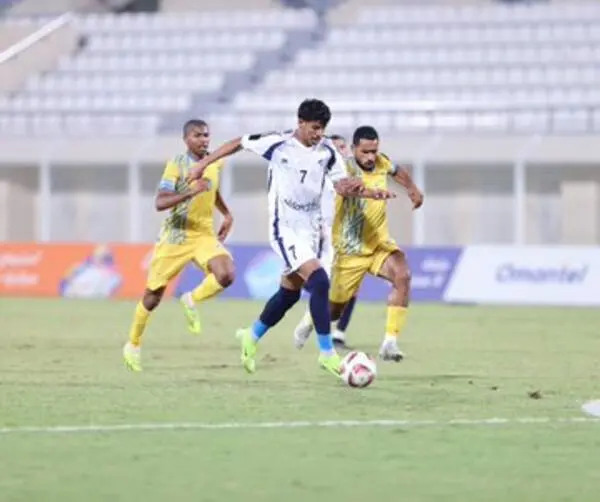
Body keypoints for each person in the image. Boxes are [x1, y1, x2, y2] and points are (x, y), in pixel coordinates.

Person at [187, 99, 394, 378]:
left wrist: (369, 192)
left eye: (322, 129)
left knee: (289, 293)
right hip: (285, 227)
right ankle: (326, 354)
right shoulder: (278, 143)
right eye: (315, 128)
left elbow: (342, 185)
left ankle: (251, 335)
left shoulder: (328, 151)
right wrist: (203, 165)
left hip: (313, 229)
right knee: (320, 281)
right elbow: (238, 142)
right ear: (300, 122)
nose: (318, 134)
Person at [295, 125, 424, 361]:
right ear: (354, 149)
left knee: (402, 275)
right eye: (365, 152)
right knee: (333, 312)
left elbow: (397, 171)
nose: (370, 157)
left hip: (379, 245)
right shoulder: (343, 168)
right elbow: (347, 189)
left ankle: (390, 343)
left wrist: (412, 189)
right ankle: (309, 318)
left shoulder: (381, 162)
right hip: (349, 251)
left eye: (374, 151)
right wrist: (370, 192)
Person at [123, 119, 235, 372]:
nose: (204, 139)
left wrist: (226, 214)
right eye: (198, 135)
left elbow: (212, 190)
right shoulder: (176, 165)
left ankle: (190, 300)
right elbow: (160, 202)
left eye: (206, 135)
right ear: (186, 139)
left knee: (226, 273)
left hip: (204, 234)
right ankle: (133, 344)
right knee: (152, 296)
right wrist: (190, 192)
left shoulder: (215, 161)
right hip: (176, 236)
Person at [293, 134, 358, 349]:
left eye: (344, 147)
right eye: (337, 147)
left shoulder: (354, 173)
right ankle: (309, 322)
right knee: (325, 281)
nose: (343, 151)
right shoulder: (322, 172)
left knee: (351, 288)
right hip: (328, 233)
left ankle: (337, 331)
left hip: (352, 235)